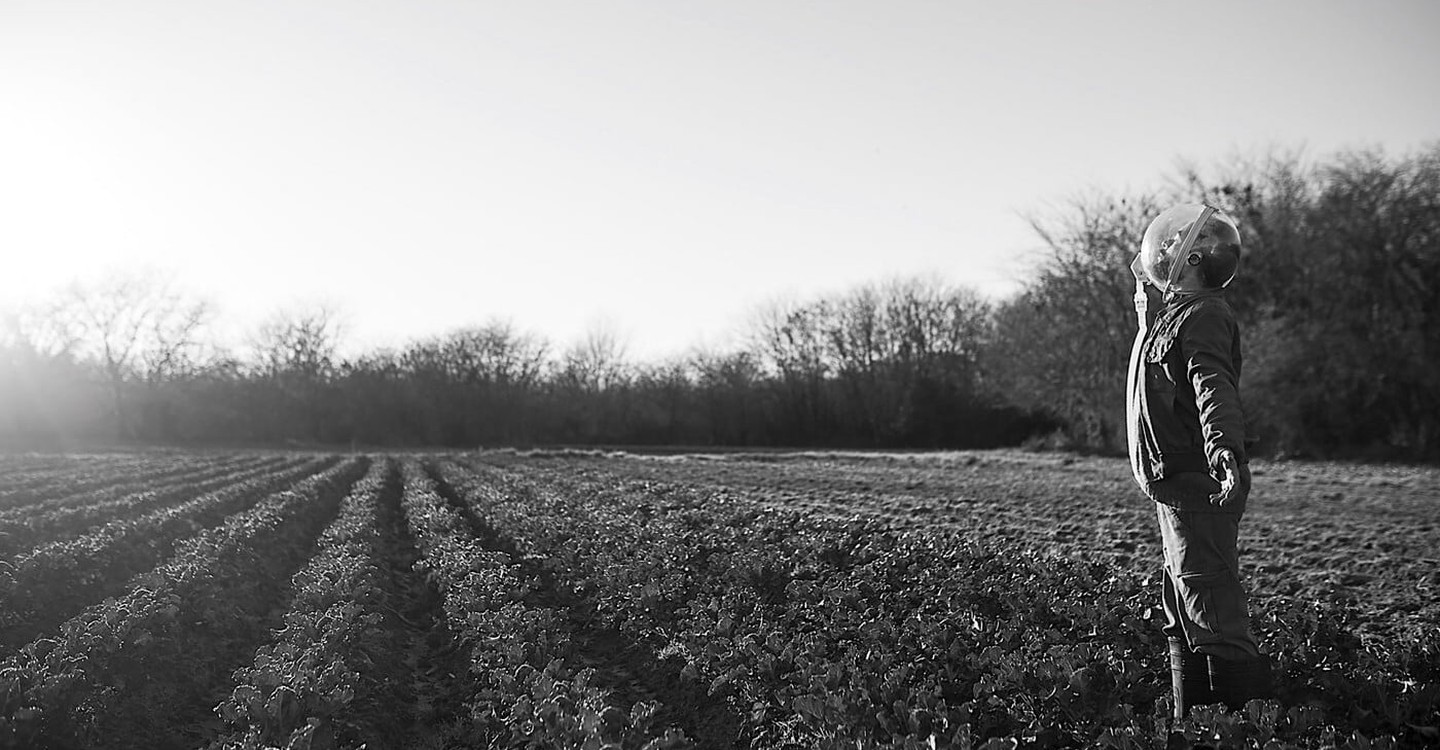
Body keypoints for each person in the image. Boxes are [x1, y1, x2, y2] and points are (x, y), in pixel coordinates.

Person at [1125, 203, 1274, 719]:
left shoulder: (1206, 314)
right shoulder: (1177, 315)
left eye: (1174, 246)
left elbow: (1213, 386)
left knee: (1214, 618)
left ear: (1192, 261)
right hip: (1174, 488)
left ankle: (1245, 729)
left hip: (1198, 485)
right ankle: (1188, 726)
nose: (1163, 251)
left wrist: (1225, 455)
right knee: (1183, 617)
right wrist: (1145, 300)